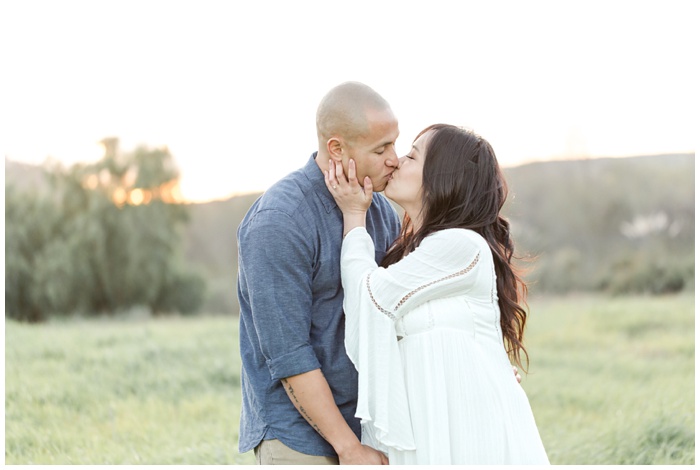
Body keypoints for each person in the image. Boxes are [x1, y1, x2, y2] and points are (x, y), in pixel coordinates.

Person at [324, 123, 550, 464]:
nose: (397, 161)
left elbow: (371, 296)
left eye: (412, 156)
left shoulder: (460, 245)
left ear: (442, 177)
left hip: (466, 429)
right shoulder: (412, 252)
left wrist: (354, 216)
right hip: (432, 425)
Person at [236, 81, 401, 465]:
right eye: (381, 149)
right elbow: (289, 355)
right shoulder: (279, 221)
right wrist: (348, 447)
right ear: (337, 149)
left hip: (371, 427)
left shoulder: (382, 212)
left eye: (395, 143)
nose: (395, 158)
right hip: (299, 439)